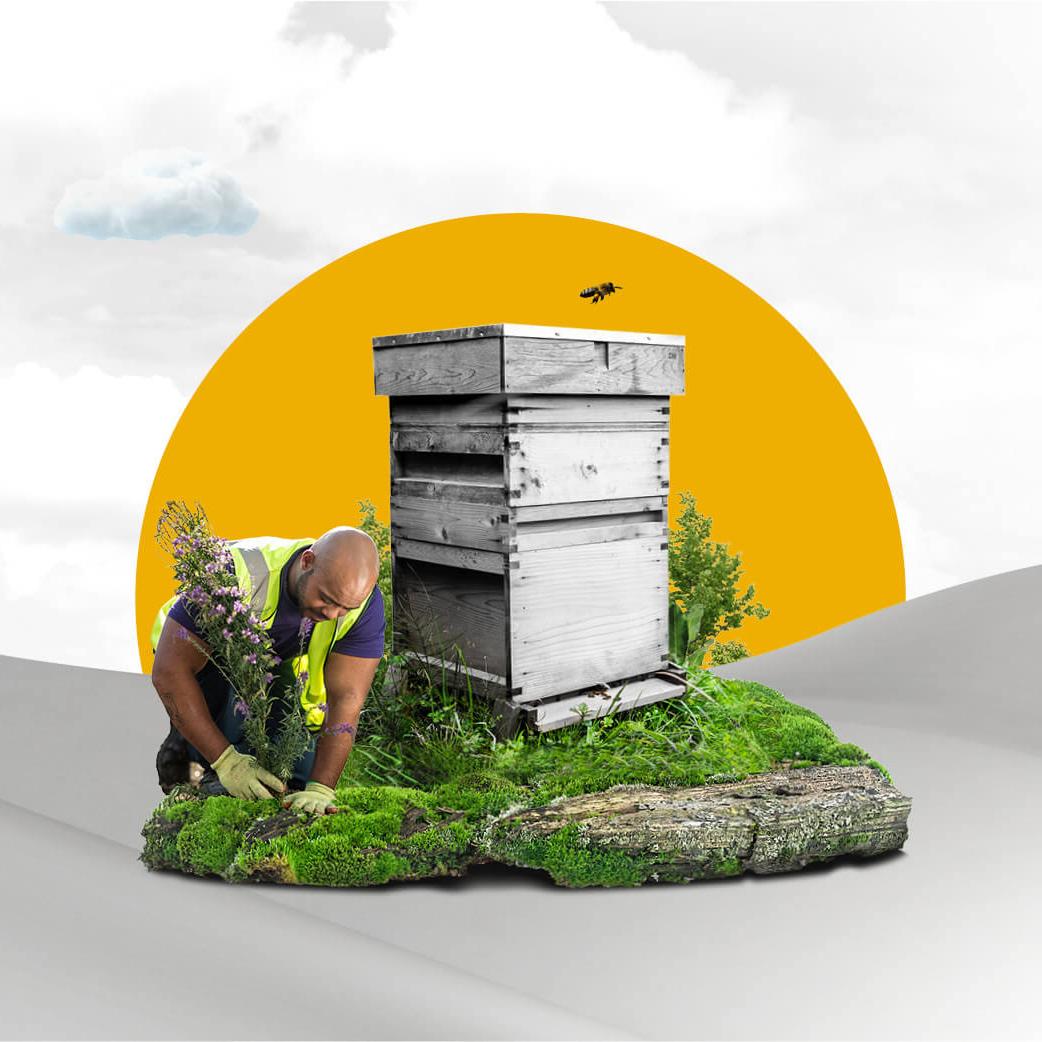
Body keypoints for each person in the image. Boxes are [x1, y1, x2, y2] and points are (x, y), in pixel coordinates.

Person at [150, 527, 384, 816]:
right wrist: (227, 762)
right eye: (327, 599)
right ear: (307, 562)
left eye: (346, 607)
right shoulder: (234, 573)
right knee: (229, 743)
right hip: (195, 655)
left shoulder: (364, 606)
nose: (333, 614)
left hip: (269, 663)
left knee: (297, 773)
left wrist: (321, 788)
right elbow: (169, 672)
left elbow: (347, 697)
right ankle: (187, 759)